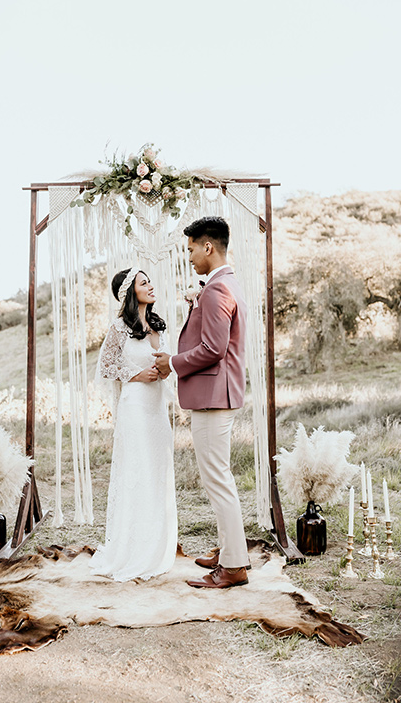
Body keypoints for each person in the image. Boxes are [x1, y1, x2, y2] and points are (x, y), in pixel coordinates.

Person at [154, 216, 250, 589]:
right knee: (219, 478)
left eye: (191, 248)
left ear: (207, 246)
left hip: (213, 396)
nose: (190, 256)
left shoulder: (216, 290)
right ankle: (230, 551)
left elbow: (213, 349)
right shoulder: (228, 283)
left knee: (217, 481)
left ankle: (234, 567)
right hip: (218, 393)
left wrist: (172, 363)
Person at [89, 267, 177, 582]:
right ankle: (132, 549)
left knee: (157, 471)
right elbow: (106, 365)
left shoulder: (157, 324)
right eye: (144, 282)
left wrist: (166, 371)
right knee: (137, 472)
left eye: (150, 280)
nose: (151, 285)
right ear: (129, 292)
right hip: (136, 406)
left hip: (157, 407)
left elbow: (165, 362)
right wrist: (136, 374)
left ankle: (156, 546)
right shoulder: (119, 328)